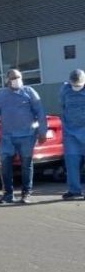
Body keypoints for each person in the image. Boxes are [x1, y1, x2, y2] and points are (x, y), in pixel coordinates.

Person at [0, 69, 47, 204]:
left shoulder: (29, 92)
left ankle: (26, 193)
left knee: (26, 165)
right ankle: (8, 194)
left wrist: (42, 132)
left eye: (18, 77)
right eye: (13, 78)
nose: (17, 79)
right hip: (7, 137)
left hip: (27, 136)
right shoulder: (1, 95)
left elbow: (40, 112)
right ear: (7, 80)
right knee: (5, 165)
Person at [60, 69, 85, 200]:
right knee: (71, 163)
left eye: (78, 85)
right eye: (74, 85)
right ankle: (74, 190)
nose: (76, 87)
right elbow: (63, 107)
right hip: (70, 133)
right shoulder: (64, 89)